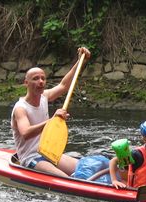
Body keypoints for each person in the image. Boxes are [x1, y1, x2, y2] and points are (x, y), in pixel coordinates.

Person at [11, 47, 91, 177]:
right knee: (67, 179)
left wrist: (80, 61)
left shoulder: (44, 97)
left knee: (87, 168)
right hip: (31, 157)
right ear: (26, 83)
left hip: (48, 151)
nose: (41, 81)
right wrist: (52, 121)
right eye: (36, 78)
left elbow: (64, 85)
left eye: (43, 78)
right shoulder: (21, 108)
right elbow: (25, 133)